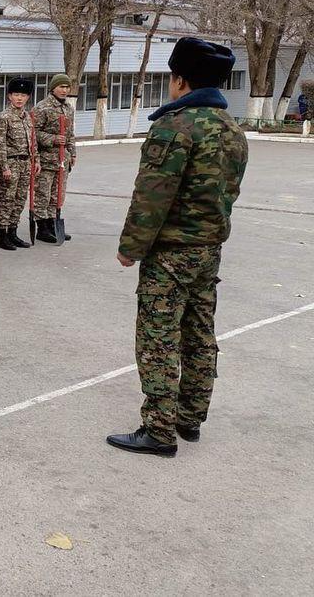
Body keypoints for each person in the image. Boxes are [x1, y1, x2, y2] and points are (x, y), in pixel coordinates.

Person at [107, 37, 248, 457]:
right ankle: (190, 418)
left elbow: (152, 194)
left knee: (158, 337)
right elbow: (229, 191)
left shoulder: (176, 126)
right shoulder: (231, 129)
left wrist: (130, 246)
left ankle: (159, 430)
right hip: (208, 248)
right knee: (200, 332)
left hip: (171, 253)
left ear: (180, 80)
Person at [0, 77, 37, 250]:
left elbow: (32, 141)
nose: (20, 98)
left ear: (28, 97)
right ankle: (2, 235)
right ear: (9, 96)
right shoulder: (4, 117)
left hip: (25, 164)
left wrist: (36, 160)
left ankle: (13, 232)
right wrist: (4, 167)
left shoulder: (27, 117)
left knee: (19, 200)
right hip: (11, 163)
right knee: (7, 199)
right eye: (16, 94)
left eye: (23, 95)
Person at [32, 74, 77, 243]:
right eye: (61, 87)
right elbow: (33, 133)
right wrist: (52, 139)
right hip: (46, 159)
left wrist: (72, 153)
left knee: (57, 195)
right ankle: (42, 228)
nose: (64, 90)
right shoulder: (42, 108)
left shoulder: (68, 109)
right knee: (43, 194)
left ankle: (53, 224)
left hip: (62, 160)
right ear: (53, 88)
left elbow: (70, 134)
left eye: (67, 87)